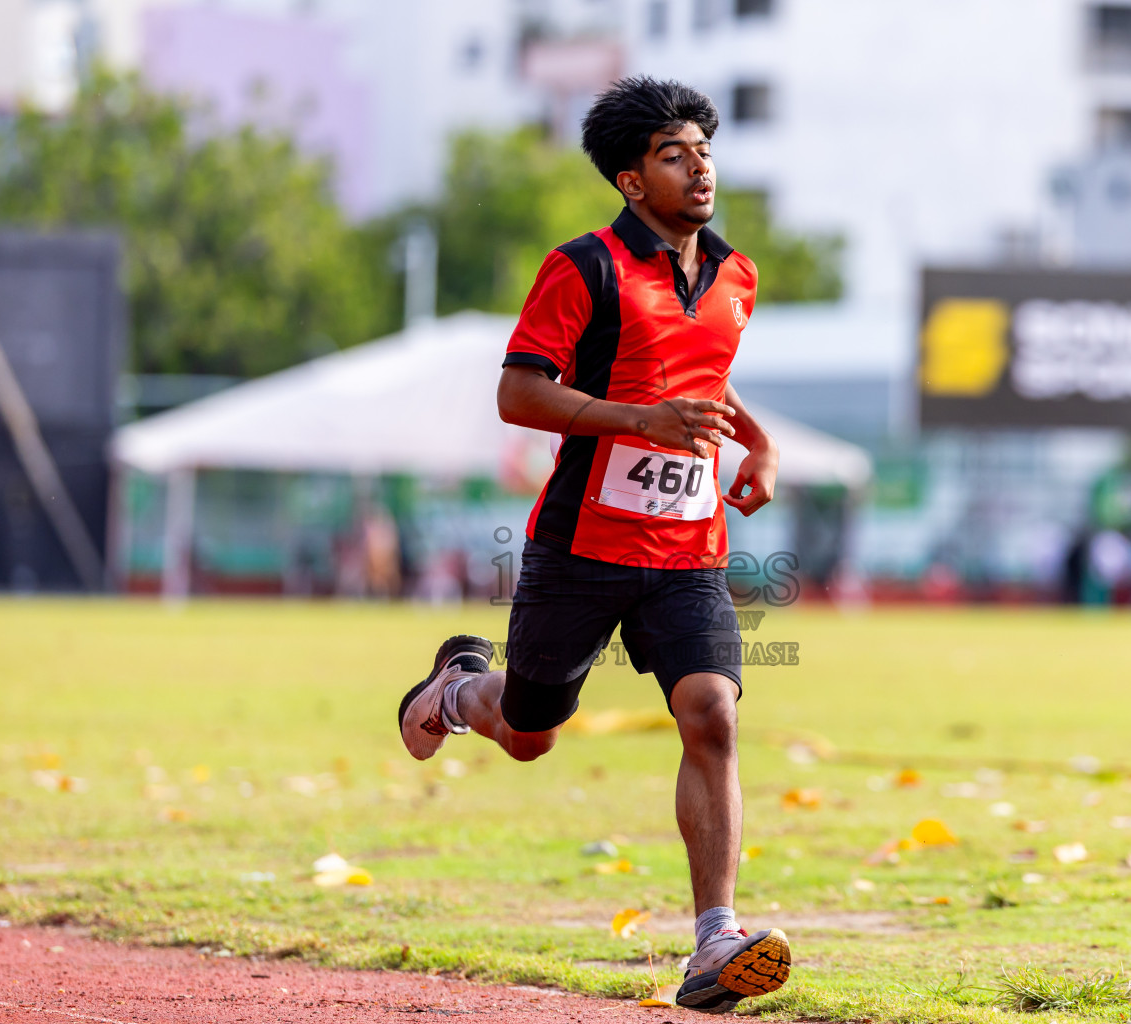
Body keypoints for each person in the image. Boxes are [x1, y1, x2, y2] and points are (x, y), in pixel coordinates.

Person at [397, 77, 789, 1013]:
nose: (699, 167)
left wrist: (759, 444)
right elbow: (521, 393)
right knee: (530, 734)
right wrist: (637, 421)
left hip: (687, 550)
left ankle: (713, 942)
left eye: (703, 150)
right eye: (672, 154)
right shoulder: (584, 270)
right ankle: (457, 692)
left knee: (714, 714)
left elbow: (709, 384)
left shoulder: (737, 277)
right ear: (628, 180)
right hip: (580, 547)